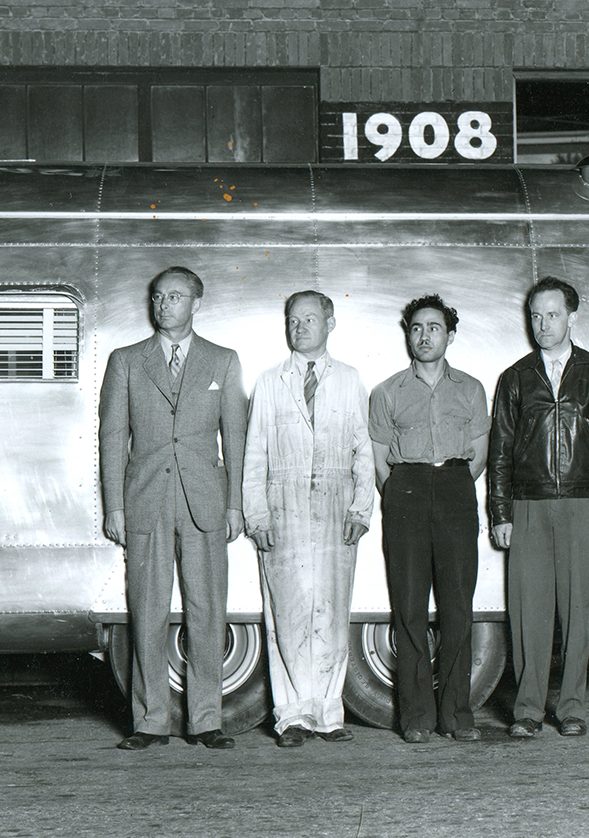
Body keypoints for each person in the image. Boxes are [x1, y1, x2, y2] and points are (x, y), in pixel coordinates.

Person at [98, 266, 248, 751]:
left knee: (208, 610)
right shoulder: (126, 360)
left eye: (175, 297)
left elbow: (237, 439)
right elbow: (112, 437)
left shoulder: (223, 361)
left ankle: (206, 721)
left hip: (205, 500)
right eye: (159, 297)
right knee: (147, 610)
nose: (164, 305)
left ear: (196, 304)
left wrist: (235, 505)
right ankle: (149, 722)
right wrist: (114, 506)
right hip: (145, 500)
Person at [487, 276, 589, 739]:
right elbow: (500, 451)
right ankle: (527, 710)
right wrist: (500, 513)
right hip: (528, 505)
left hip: (582, 505)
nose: (543, 325)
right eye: (536, 316)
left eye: (552, 315)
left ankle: (572, 708)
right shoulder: (516, 377)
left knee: (577, 611)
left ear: (571, 317)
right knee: (529, 612)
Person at [243, 290, 376, 747]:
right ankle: (291, 715)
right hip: (284, 505)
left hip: (337, 506)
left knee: (332, 611)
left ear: (330, 323)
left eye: (309, 319)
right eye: (292, 320)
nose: (299, 328)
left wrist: (361, 508)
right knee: (287, 613)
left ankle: (328, 712)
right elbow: (254, 452)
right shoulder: (269, 382)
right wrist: (256, 515)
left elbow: (364, 450)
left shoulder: (350, 380)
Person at [368, 294, 491, 744]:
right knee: (409, 605)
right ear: (408, 334)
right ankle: (416, 716)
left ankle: (457, 714)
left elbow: (479, 455)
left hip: (456, 488)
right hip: (406, 492)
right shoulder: (386, 393)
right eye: (417, 328)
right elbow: (380, 463)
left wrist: (450, 482)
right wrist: (406, 490)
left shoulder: (471, 389)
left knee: (458, 606)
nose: (424, 335)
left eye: (434, 327)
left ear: (450, 335)